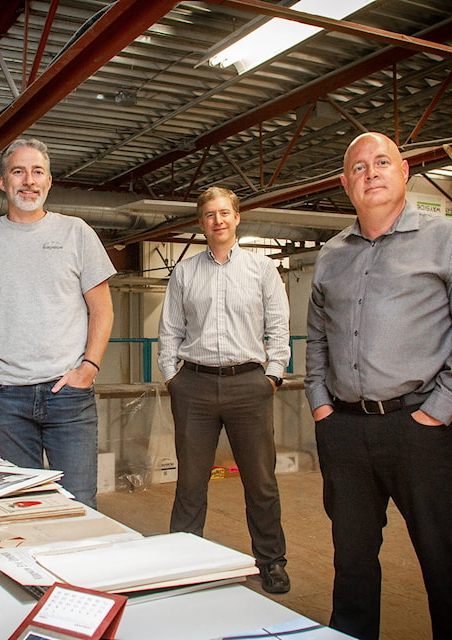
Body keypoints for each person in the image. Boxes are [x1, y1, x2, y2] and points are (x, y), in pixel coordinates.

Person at [305, 132, 452, 640]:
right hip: (345, 431)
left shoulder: (451, 240)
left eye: (381, 162)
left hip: (421, 431)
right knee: (351, 563)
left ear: (405, 170)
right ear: (344, 183)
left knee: (447, 564)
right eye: (357, 167)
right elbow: (316, 336)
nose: (370, 173)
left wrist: (437, 411)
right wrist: (320, 405)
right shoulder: (331, 255)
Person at [0, 138, 116, 508]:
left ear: (49, 181)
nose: (29, 180)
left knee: (79, 505)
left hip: (67, 394)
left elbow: (102, 309)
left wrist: (89, 368)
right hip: (6, 398)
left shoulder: (76, 233)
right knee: (19, 505)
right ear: (3, 182)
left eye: (37, 172)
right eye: (18, 171)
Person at [158, 185, 292, 594]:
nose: (217, 220)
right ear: (201, 223)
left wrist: (272, 375)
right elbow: (170, 330)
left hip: (248, 385)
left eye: (224, 213)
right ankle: (183, 564)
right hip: (194, 387)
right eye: (209, 214)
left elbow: (278, 328)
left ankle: (271, 563)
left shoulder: (262, 270)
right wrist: (172, 377)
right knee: (191, 484)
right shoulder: (184, 272)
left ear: (237, 218)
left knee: (261, 483)